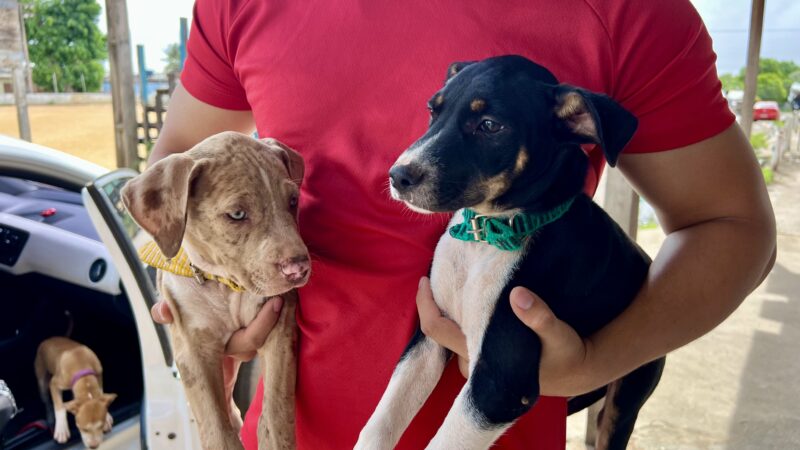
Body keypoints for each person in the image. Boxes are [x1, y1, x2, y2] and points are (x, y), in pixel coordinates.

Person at [147, 1, 776, 448]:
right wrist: (201, 294)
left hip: (492, 426)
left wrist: (593, 364)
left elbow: (731, 225)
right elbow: (172, 175)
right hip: (284, 432)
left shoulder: (626, 11)